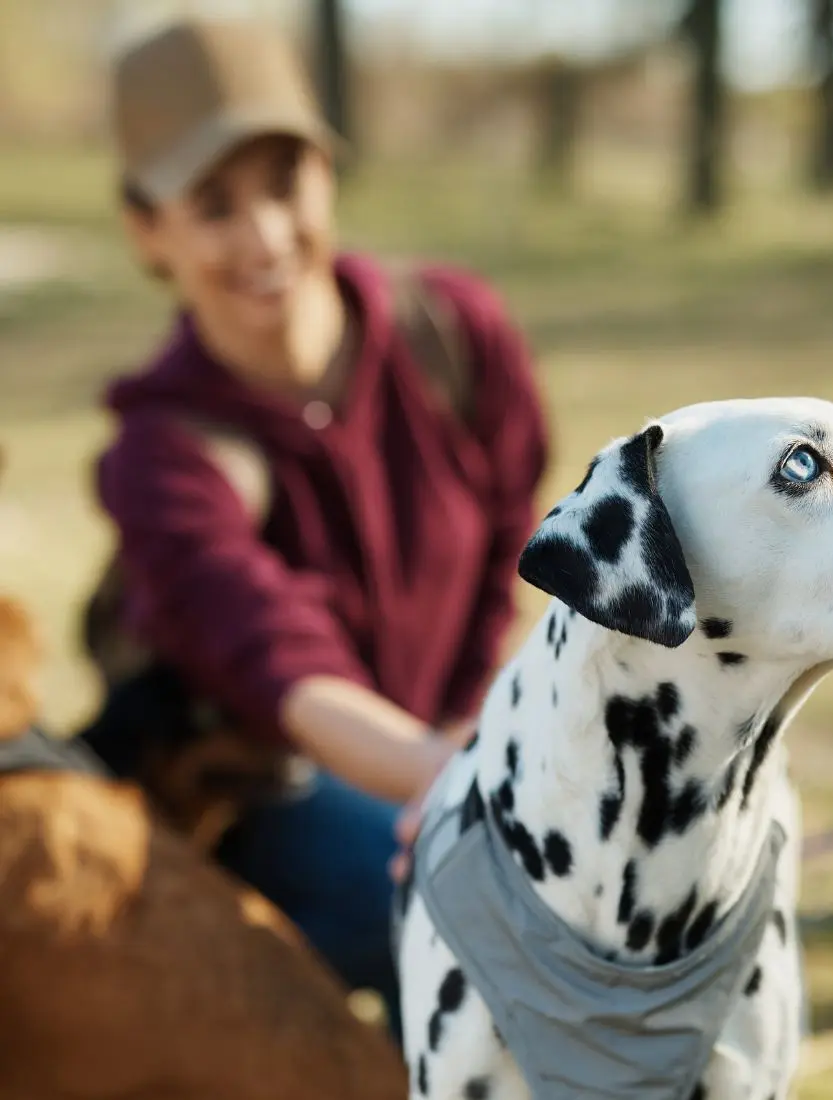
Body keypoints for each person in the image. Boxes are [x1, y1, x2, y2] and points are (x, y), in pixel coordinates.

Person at [93, 15, 549, 1040]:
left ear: (329, 175)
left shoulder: (455, 333)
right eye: (212, 206)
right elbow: (275, 662)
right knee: (455, 891)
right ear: (146, 229)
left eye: (283, 182)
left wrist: (473, 730)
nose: (262, 236)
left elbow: (505, 548)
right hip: (273, 796)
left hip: (451, 744)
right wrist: (457, 783)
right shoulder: (162, 451)